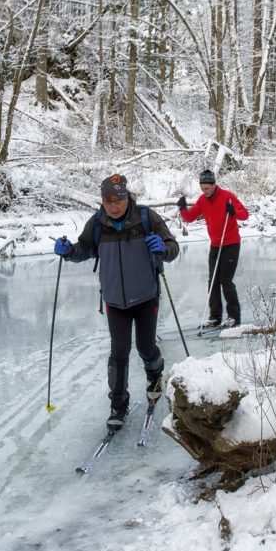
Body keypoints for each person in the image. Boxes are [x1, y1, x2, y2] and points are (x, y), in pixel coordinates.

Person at [54, 174, 179, 430]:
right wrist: (68, 252)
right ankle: (118, 405)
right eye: (108, 201)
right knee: (118, 353)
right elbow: (85, 249)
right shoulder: (98, 223)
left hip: (145, 296)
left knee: (146, 347)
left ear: (126, 197)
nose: (113, 206)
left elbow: (172, 248)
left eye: (118, 200)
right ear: (102, 200)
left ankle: (154, 377)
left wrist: (163, 249)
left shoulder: (146, 218)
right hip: (114, 301)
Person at [177, 169, 249, 328]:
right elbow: (189, 217)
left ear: (214, 184)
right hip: (215, 245)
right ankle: (215, 317)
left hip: (231, 243)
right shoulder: (202, 200)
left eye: (207, 188)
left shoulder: (227, 196)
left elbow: (245, 214)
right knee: (213, 281)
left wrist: (233, 212)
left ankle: (234, 317)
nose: (205, 191)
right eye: (202, 189)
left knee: (225, 280)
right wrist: (182, 208)